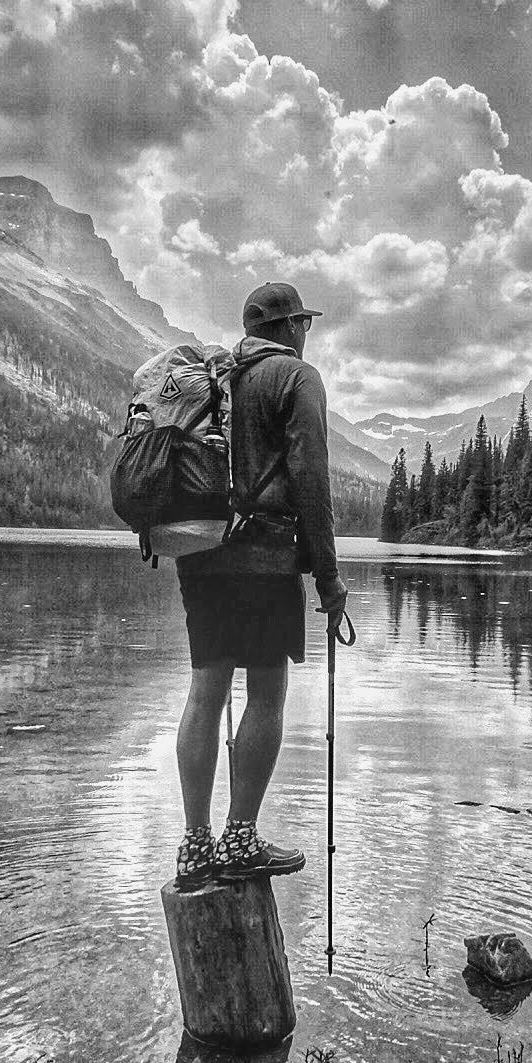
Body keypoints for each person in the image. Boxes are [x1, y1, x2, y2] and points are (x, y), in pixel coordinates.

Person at [172, 281, 348, 889]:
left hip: (199, 554)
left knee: (205, 694)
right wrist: (328, 578)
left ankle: (195, 846)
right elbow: (310, 477)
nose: (307, 334)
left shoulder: (212, 377)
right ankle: (240, 838)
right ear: (292, 327)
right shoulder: (296, 379)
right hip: (267, 559)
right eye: (305, 324)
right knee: (266, 696)